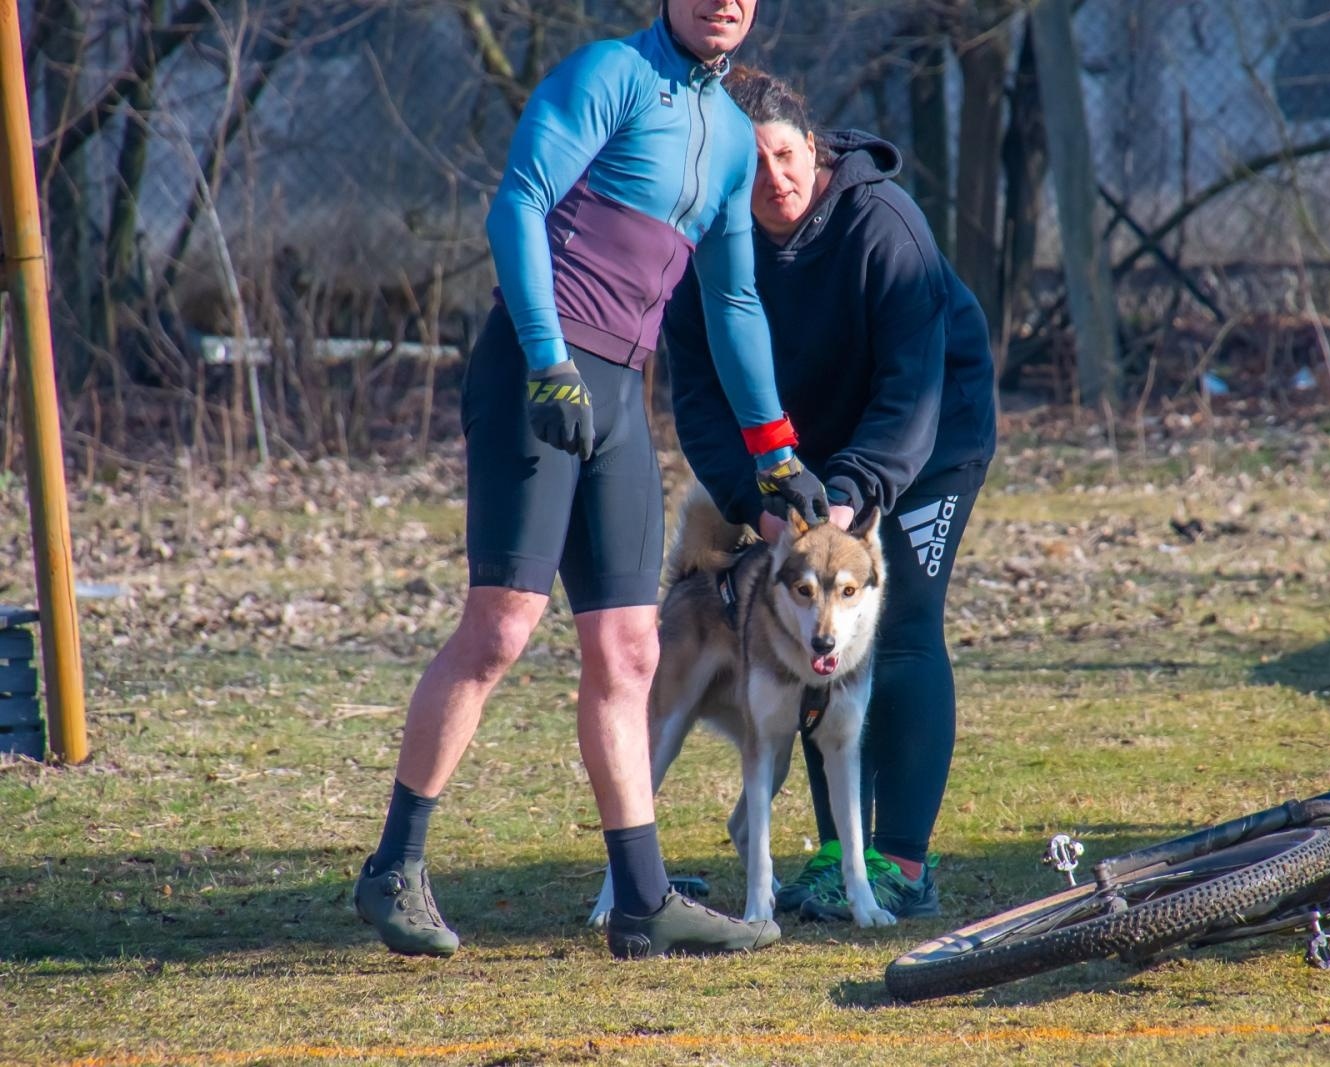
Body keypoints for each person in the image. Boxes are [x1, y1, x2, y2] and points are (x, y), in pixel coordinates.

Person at [354, 1, 830, 960]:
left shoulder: (734, 137)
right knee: (501, 628)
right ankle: (394, 867)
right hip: (541, 369)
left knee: (631, 650)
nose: (724, 2)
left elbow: (733, 297)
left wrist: (774, 447)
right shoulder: (608, 76)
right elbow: (517, 205)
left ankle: (643, 900)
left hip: (619, 390)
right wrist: (544, 357)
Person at [662, 67, 997, 920]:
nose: (773, 179)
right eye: (751, 164)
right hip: (804, 461)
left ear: (812, 148)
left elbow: (911, 385)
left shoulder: (882, 225)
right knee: (812, 632)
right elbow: (699, 397)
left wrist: (852, 491)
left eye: (785, 155)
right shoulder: (706, 237)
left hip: (925, 438)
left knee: (903, 622)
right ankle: (835, 854)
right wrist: (755, 496)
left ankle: (902, 863)